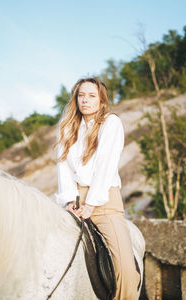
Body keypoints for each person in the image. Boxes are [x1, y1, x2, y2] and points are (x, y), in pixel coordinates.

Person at [55, 77, 140, 300]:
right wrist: (69, 201)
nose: (85, 100)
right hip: (74, 203)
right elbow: (63, 168)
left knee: (126, 271)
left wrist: (91, 203)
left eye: (92, 95)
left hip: (104, 203)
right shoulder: (67, 127)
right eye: (81, 95)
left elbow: (106, 165)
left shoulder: (111, 123)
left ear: (101, 100)